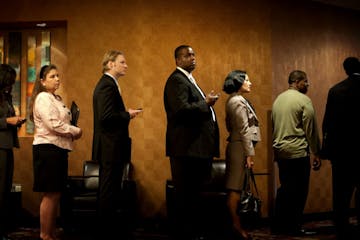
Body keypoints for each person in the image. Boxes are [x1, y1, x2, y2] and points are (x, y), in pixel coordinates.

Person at [163, 45, 220, 240]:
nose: (193, 57)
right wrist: (206, 103)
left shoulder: (187, 79)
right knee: (186, 195)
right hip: (187, 149)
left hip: (196, 148)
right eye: (188, 55)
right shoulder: (176, 80)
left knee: (195, 194)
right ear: (178, 61)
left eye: (194, 54)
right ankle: (186, 233)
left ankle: (194, 231)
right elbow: (181, 110)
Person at [92, 50, 142, 239]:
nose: (126, 65)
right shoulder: (107, 85)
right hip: (110, 145)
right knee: (108, 189)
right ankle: (106, 231)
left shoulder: (110, 84)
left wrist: (125, 113)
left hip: (111, 145)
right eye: (122, 62)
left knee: (111, 188)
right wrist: (127, 114)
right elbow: (106, 118)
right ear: (110, 64)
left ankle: (108, 229)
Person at [29, 64, 82, 240]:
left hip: (57, 149)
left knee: (56, 193)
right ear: (42, 81)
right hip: (47, 149)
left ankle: (50, 232)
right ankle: (45, 235)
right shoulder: (43, 98)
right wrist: (75, 131)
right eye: (52, 76)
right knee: (50, 193)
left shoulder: (56, 98)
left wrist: (71, 129)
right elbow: (53, 124)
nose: (57, 79)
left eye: (58, 76)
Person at [271, 70, 321, 236]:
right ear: (298, 81)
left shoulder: (278, 100)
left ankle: (278, 226)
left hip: (281, 152)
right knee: (299, 192)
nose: (308, 84)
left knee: (285, 189)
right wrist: (317, 152)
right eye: (305, 81)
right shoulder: (303, 100)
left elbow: (274, 126)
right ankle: (294, 226)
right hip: (297, 151)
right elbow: (311, 129)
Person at [321, 57, 360, 239]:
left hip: (342, 151)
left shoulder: (336, 90)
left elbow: (328, 122)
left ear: (345, 70)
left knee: (341, 191)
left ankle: (341, 227)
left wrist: (326, 150)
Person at [222, 70, 261, 240]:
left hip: (239, 146)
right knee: (235, 190)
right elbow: (243, 129)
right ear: (237, 82)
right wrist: (249, 155)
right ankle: (235, 225)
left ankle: (236, 224)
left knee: (237, 188)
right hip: (239, 148)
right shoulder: (237, 101)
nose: (250, 82)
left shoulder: (238, 99)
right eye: (247, 80)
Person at [0, 64, 26, 240]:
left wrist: (16, 121)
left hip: (7, 145)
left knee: (5, 188)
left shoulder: (6, 97)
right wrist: (8, 121)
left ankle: (3, 229)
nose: (12, 84)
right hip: (0, 147)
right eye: (10, 81)